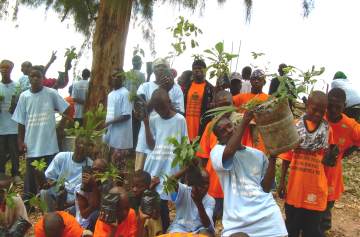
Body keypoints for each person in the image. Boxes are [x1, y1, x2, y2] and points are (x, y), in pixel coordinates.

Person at [210, 111, 287, 237]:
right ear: (219, 139)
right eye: (223, 131)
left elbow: (266, 188)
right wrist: (245, 121)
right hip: (238, 221)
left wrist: (273, 157)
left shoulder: (257, 155)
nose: (228, 131)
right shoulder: (217, 152)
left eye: (229, 126)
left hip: (267, 215)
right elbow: (229, 151)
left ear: (235, 126)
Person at [278, 91, 333, 237]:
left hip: (316, 188)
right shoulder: (295, 127)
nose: (317, 114)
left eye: (322, 111)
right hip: (295, 189)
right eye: (314, 109)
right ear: (307, 105)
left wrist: (331, 156)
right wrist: (282, 182)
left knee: (312, 231)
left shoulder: (327, 130)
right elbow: (287, 158)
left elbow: (327, 161)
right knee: (292, 229)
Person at [12, 65, 70, 202]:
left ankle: (50, 200)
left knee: (50, 174)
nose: (36, 78)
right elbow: (20, 121)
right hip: (32, 144)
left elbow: (67, 110)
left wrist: (60, 127)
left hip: (49, 144)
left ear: (43, 78)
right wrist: (20, 141)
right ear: (29, 79)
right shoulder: (24, 96)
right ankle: (29, 201)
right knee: (32, 175)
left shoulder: (51, 93)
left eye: (39, 76)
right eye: (33, 76)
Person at [142, 88, 188, 232]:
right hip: (154, 166)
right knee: (152, 203)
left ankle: (167, 230)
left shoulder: (180, 120)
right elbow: (151, 145)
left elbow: (184, 146)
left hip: (170, 169)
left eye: (163, 107)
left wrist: (183, 172)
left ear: (169, 102)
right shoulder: (154, 118)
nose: (161, 111)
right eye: (158, 109)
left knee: (164, 203)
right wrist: (145, 123)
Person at [134, 58, 184, 171]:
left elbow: (181, 114)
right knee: (141, 176)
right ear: (153, 70)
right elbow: (140, 113)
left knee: (164, 175)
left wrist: (166, 103)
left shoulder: (176, 89)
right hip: (145, 138)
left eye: (164, 66)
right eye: (157, 66)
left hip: (167, 142)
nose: (160, 68)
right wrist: (161, 89)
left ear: (169, 70)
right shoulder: (144, 86)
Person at [320, 88, 360, 232]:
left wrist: (346, 151)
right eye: (330, 105)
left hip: (332, 175)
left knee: (326, 208)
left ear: (345, 105)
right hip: (314, 172)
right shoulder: (318, 117)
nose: (333, 110)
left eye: (338, 106)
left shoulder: (350, 125)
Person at [197, 90, 235, 223]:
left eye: (227, 104)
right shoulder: (210, 127)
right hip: (213, 188)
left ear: (233, 104)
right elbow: (202, 157)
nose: (224, 109)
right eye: (221, 105)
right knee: (209, 224)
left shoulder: (243, 126)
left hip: (234, 191)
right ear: (215, 107)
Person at [167, 168, 215, 235]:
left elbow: (207, 224)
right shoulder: (184, 190)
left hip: (199, 229)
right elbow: (170, 182)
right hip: (180, 227)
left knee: (206, 234)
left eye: (207, 183)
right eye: (201, 183)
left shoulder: (210, 200)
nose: (205, 186)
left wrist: (199, 202)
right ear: (195, 182)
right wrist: (186, 168)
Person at [233, 69, 269, 152]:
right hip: (242, 136)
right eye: (254, 79)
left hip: (260, 137)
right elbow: (227, 105)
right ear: (250, 81)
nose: (256, 81)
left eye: (259, 79)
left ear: (264, 82)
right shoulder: (241, 97)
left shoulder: (268, 99)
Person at [71, 158, 108, 232]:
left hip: (100, 223)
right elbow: (85, 215)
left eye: (100, 170)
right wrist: (94, 186)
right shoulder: (82, 187)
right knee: (95, 215)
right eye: (95, 169)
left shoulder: (105, 185)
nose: (97, 173)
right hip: (84, 224)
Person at [0, 60, 20, 182]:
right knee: (1, 152)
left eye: (7, 68)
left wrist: (15, 106)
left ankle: (15, 173)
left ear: (11, 70)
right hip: (1, 125)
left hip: (14, 125)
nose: (4, 70)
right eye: (2, 68)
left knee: (14, 151)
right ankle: (1, 173)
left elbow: (21, 106)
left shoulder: (17, 86)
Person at [104, 68, 133, 155]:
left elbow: (126, 115)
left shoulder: (125, 93)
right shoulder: (110, 94)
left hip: (121, 136)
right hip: (110, 132)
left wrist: (109, 122)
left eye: (118, 76)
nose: (116, 78)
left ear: (123, 78)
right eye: (113, 76)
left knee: (119, 163)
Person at [184, 59, 214, 141]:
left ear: (205, 70)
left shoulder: (210, 88)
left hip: (201, 125)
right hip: (187, 124)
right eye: (195, 68)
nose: (197, 70)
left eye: (200, 68)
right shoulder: (187, 86)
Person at [131, 171, 163, 237]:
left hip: (147, 228)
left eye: (138, 187)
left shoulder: (154, 196)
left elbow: (156, 215)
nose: (134, 189)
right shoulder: (130, 198)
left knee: (152, 221)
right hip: (133, 229)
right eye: (133, 186)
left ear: (147, 187)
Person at [124, 55, 146, 149]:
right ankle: (133, 147)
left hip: (126, 103)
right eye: (141, 63)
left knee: (128, 125)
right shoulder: (141, 75)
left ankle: (127, 146)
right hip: (136, 103)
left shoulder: (127, 74)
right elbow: (142, 90)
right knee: (136, 126)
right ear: (139, 63)